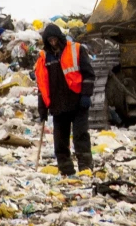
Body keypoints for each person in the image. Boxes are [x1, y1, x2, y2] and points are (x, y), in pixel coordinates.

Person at [35, 23, 95, 176]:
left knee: (80, 136)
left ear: (59, 38)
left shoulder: (76, 49)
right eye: (50, 41)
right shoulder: (44, 58)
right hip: (58, 105)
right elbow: (42, 86)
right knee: (60, 142)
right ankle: (66, 170)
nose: (53, 43)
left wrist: (86, 95)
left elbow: (88, 74)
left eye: (55, 39)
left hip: (77, 102)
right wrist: (42, 109)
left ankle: (85, 168)